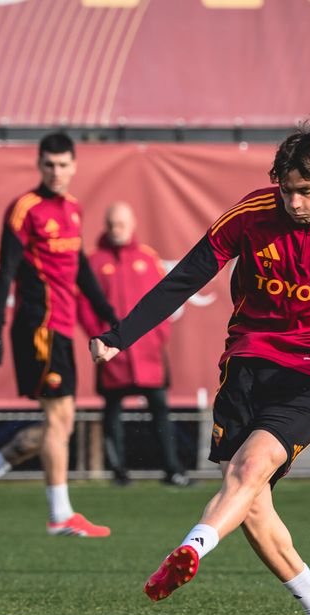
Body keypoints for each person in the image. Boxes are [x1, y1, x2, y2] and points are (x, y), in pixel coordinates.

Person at [90, 129, 310, 615]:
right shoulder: (251, 213)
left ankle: (191, 547)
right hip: (245, 367)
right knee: (252, 503)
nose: (294, 203)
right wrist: (119, 336)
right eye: (286, 190)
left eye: (306, 191)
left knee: (247, 472)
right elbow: (187, 276)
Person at [0, 132, 117, 537]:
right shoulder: (25, 209)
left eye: (63, 165)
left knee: (60, 425)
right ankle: (59, 514)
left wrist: (110, 317)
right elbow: (6, 272)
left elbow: (79, 270)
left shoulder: (75, 210)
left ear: (74, 166)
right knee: (60, 420)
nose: (56, 172)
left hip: (62, 327)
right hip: (38, 327)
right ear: (39, 165)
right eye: (49, 165)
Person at [78, 202, 191, 488]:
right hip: (111, 355)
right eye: (113, 224)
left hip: (148, 354)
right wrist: (101, 338)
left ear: (132, 224)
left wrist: (157, 336)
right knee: (112, 411)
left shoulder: (147, 257)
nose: (118, 230)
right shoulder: (93, 261)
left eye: (122, 224)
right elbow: (85, 306)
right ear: (106, 224)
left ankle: (172, 469)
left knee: (160, 410)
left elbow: (164, 302)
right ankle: (118, 471)